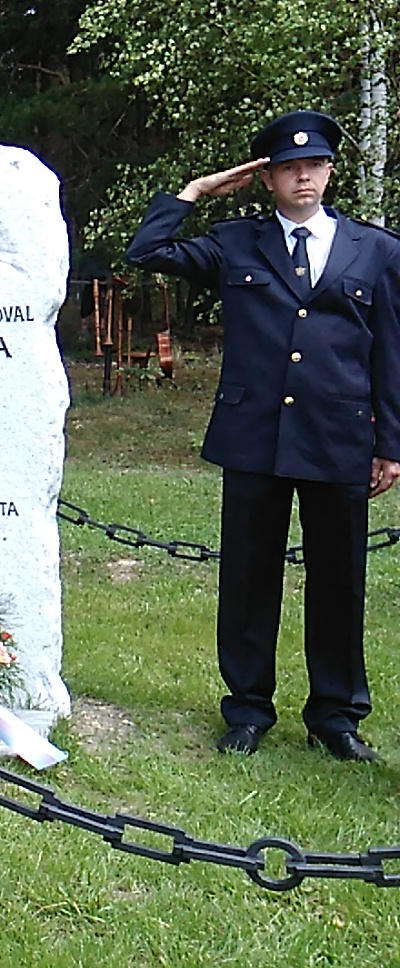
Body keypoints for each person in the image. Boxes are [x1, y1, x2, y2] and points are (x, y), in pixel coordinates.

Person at [125, 110, 400, 762]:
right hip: (256, 437)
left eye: (315, 165)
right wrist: (194, 192)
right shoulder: (236, 244)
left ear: (330, 172)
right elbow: (146, 251)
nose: (303, 177)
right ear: (267, 178)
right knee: (249, 580)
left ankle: (336, 715)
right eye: (288, 168)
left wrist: (390, 445)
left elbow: (390, 351)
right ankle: (248, 709)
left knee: (339, 581)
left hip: (338, 438)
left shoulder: (377, 250)